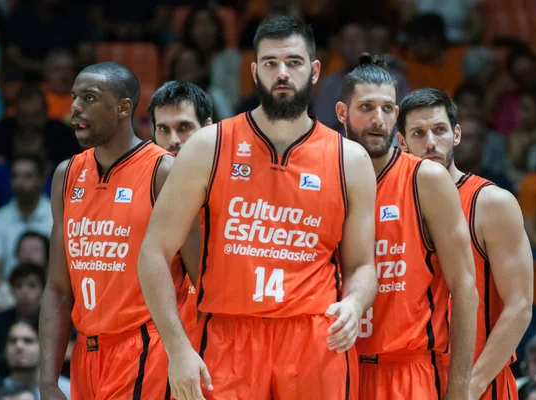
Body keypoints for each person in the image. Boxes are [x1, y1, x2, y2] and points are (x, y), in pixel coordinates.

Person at [138, 16, 378, 400]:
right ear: (254, 71)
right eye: (270, 63)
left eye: (294, 62)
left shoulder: (350, 159)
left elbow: (363, 265)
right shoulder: (207, 146)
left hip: (314, 339)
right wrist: (177, 347)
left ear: (315, 70)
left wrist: (354, 301)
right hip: (227, 335)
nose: (282, 73)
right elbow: (153, 252)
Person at [37, 62, 193, 400]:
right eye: (75, 97)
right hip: (87, 355)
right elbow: (58, 288)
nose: (75, 107)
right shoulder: (67, 175)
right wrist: (48, 380)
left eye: (89, 98)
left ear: (123, 107)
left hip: (147, 349)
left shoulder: (163, 171)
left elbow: (200, 279)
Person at [336, 53, 478, 399]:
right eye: (366, 107)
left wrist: (459, 386)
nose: (378, 119)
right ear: (343, 113)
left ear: (396, 115)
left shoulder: (424, 178)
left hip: (407, 372)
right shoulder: (326, 176)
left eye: (387, 109)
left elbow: (464, 285)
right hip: (337, 368)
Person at [395, 87, 534, 399]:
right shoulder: (389, 204)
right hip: (411, 380)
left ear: (456, 134)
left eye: (440, 130)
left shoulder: (491, 202)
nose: (430, 142)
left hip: (479, 381)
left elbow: (520, 305)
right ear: (401, 142)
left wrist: (470, 385)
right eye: (418, 133)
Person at [147, 80, 214, 348]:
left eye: (184, 128)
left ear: (208, 128)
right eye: (163, 129)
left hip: (221, 338)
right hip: (158, 346)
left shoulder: (236, 191)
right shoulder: (142, 190)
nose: (173, 140)